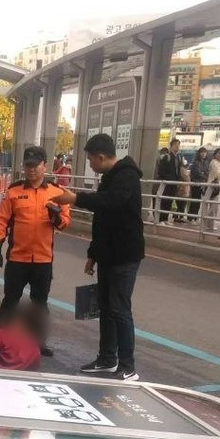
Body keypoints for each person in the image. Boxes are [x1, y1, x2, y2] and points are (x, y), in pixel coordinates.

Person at [53, 133, 144, 381]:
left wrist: (75, 198)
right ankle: (107, 358)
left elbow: (111, 202)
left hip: (125, 255)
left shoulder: (127, 176)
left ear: (101, 157)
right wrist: (93, 254)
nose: (90, 165)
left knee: (120, 308)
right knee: (106, 307)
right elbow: (102, 219)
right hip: (108, 254)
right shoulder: (109, 178)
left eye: (91, 160)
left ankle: (128, 366)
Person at [0, 144, 70, 358]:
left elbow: (64, 223)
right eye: (28, 166)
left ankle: (38, 342)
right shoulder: (14, 191)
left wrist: (56, 217)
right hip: (18, 258)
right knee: (10, 299)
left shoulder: (57, 193)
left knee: (39, 303)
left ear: (45, 166)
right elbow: (2, 220)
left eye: (36, 166)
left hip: (43, 259)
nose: (32, 170)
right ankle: (2, 340)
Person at [156, 138, 186, 224]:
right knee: (164, 201)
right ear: (171, 146)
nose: (177, 146)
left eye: (178, 145)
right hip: (167, 183)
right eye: (175, 145)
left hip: (175, 183)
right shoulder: (167, 157)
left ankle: (165, 219)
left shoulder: (179, 158)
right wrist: (166, 179)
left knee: (170, 201)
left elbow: (180, 171)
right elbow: (161, 171)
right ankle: (161, 219)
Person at [203, 149, 220, 232]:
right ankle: (207, 224)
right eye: (219, 153)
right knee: (211, 206)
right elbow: (218, 173)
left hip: (217, 186)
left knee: (214, 207)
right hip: (212, 186)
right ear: (215, 154)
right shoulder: (213, 162)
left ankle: (209, 224)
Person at [187, 147, 209, 222]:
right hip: (196, 183)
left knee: (198, 201)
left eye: (205, 152)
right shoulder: (196, 162)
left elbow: (206, 172)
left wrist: (204, 175)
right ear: (199, 154)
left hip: (202, 183)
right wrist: (204, 175)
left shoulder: (206, 162)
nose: (203, 154)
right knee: (194, 200)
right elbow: (198, 173)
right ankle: (191, 217)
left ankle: (195, 217)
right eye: (202, 152)